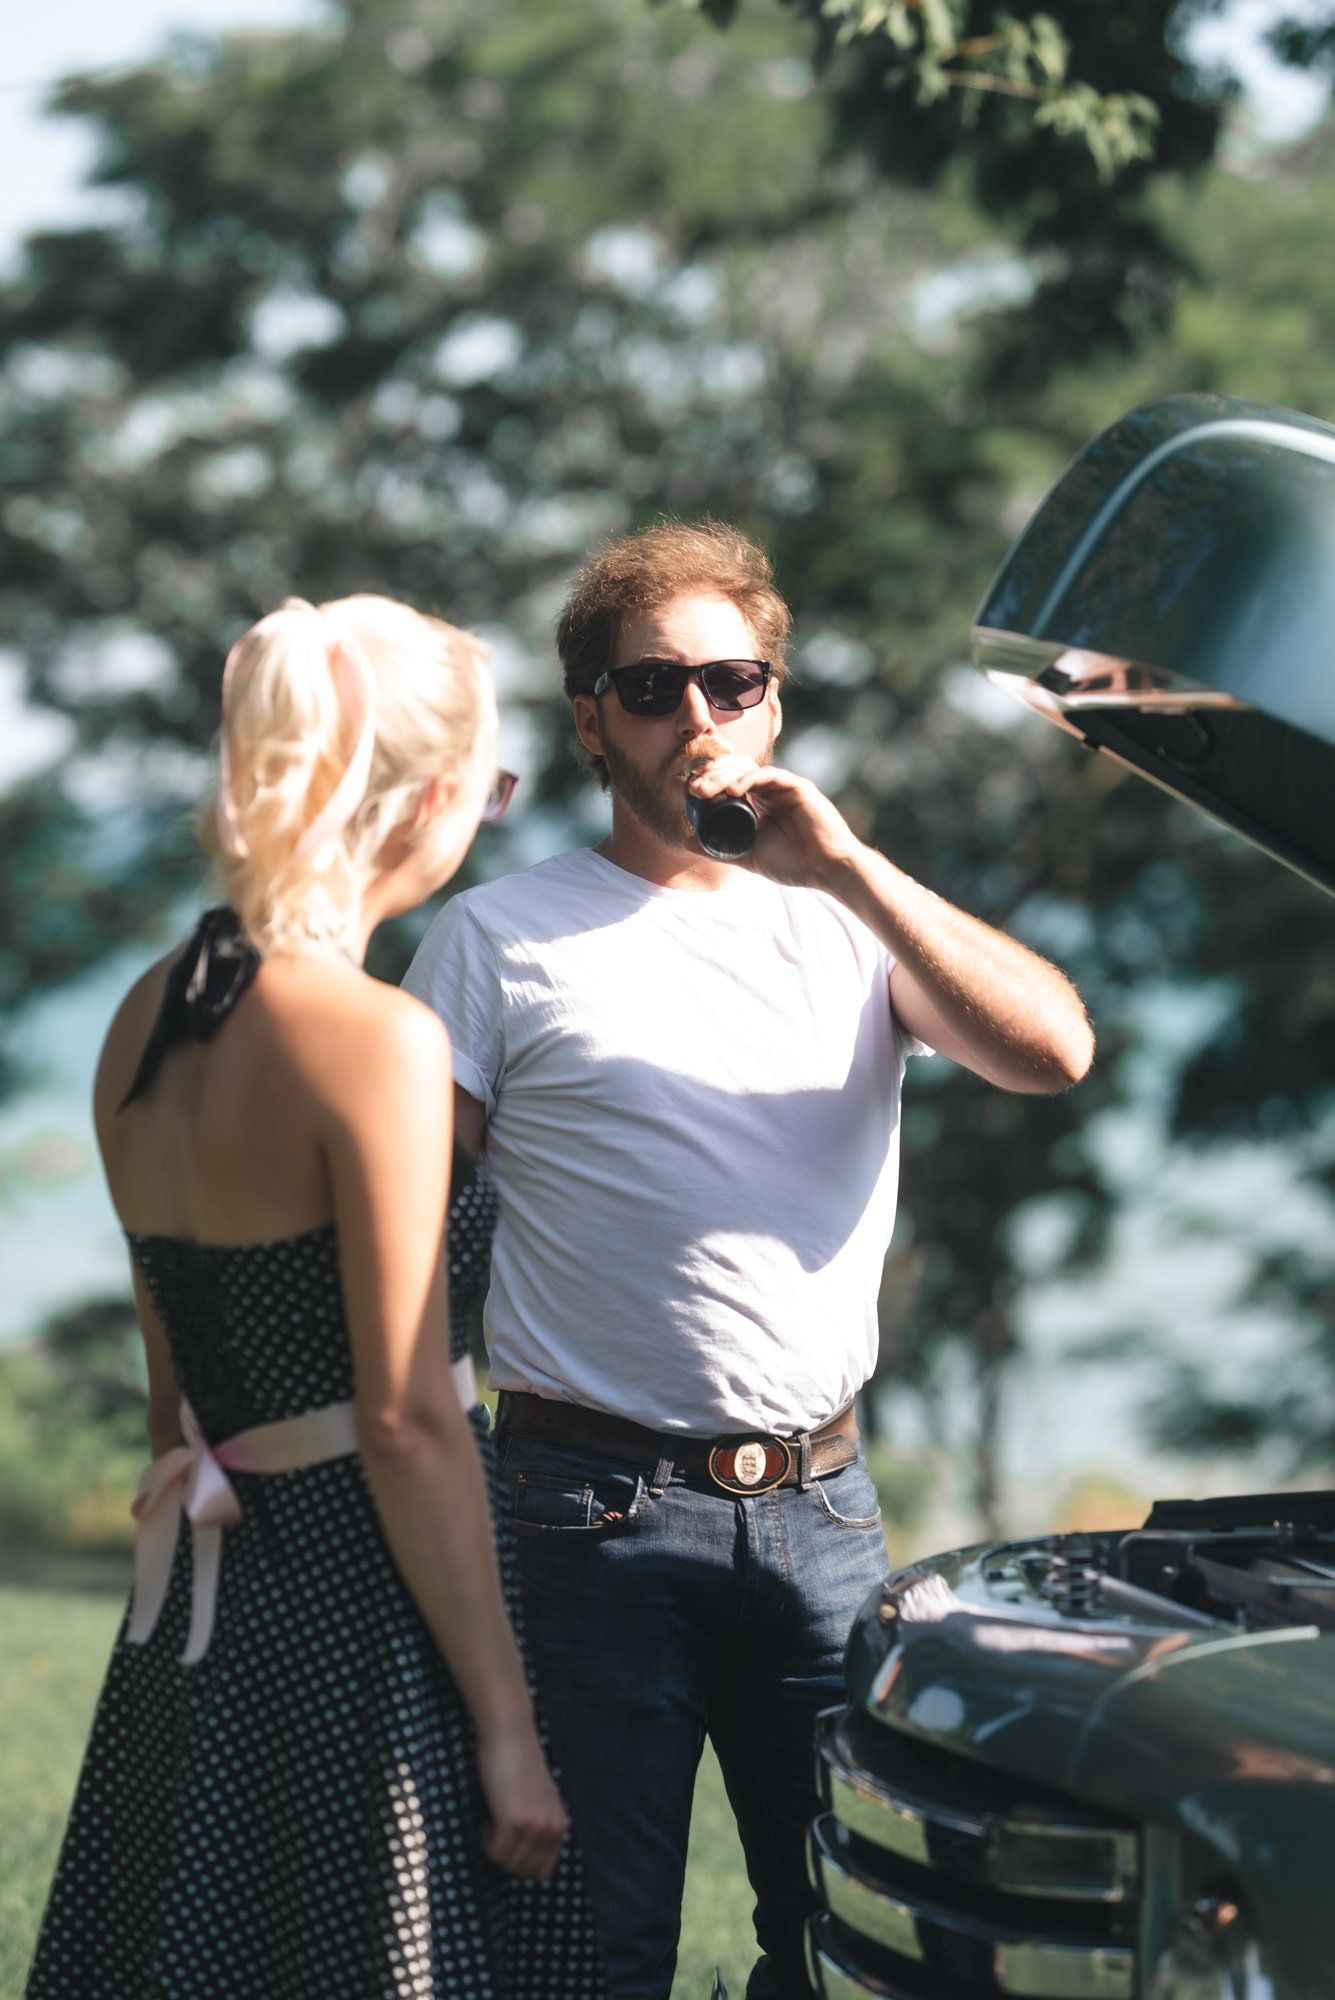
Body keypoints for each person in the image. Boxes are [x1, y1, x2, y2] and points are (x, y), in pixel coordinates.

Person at [402, 522, 1096, 2000]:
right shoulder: (496, 938)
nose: (697, 719)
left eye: (733, 681)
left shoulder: (846, 922)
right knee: (591, 1951)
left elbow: (1054, 1048)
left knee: (858, 1943)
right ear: (590, 716)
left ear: (775, 702)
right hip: (583, 1516)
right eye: (653, 687)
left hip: (826, 1513)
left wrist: (844, 864)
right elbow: (404, 1231)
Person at [25, 595, 608, 2000]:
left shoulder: (145, 1016)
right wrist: (508, 1724)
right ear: (422, 797)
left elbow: (179, 1392)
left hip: (205, 1612)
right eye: (487, 787)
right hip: (366, 1603)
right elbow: (408, 1415)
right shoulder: (377, 1040)